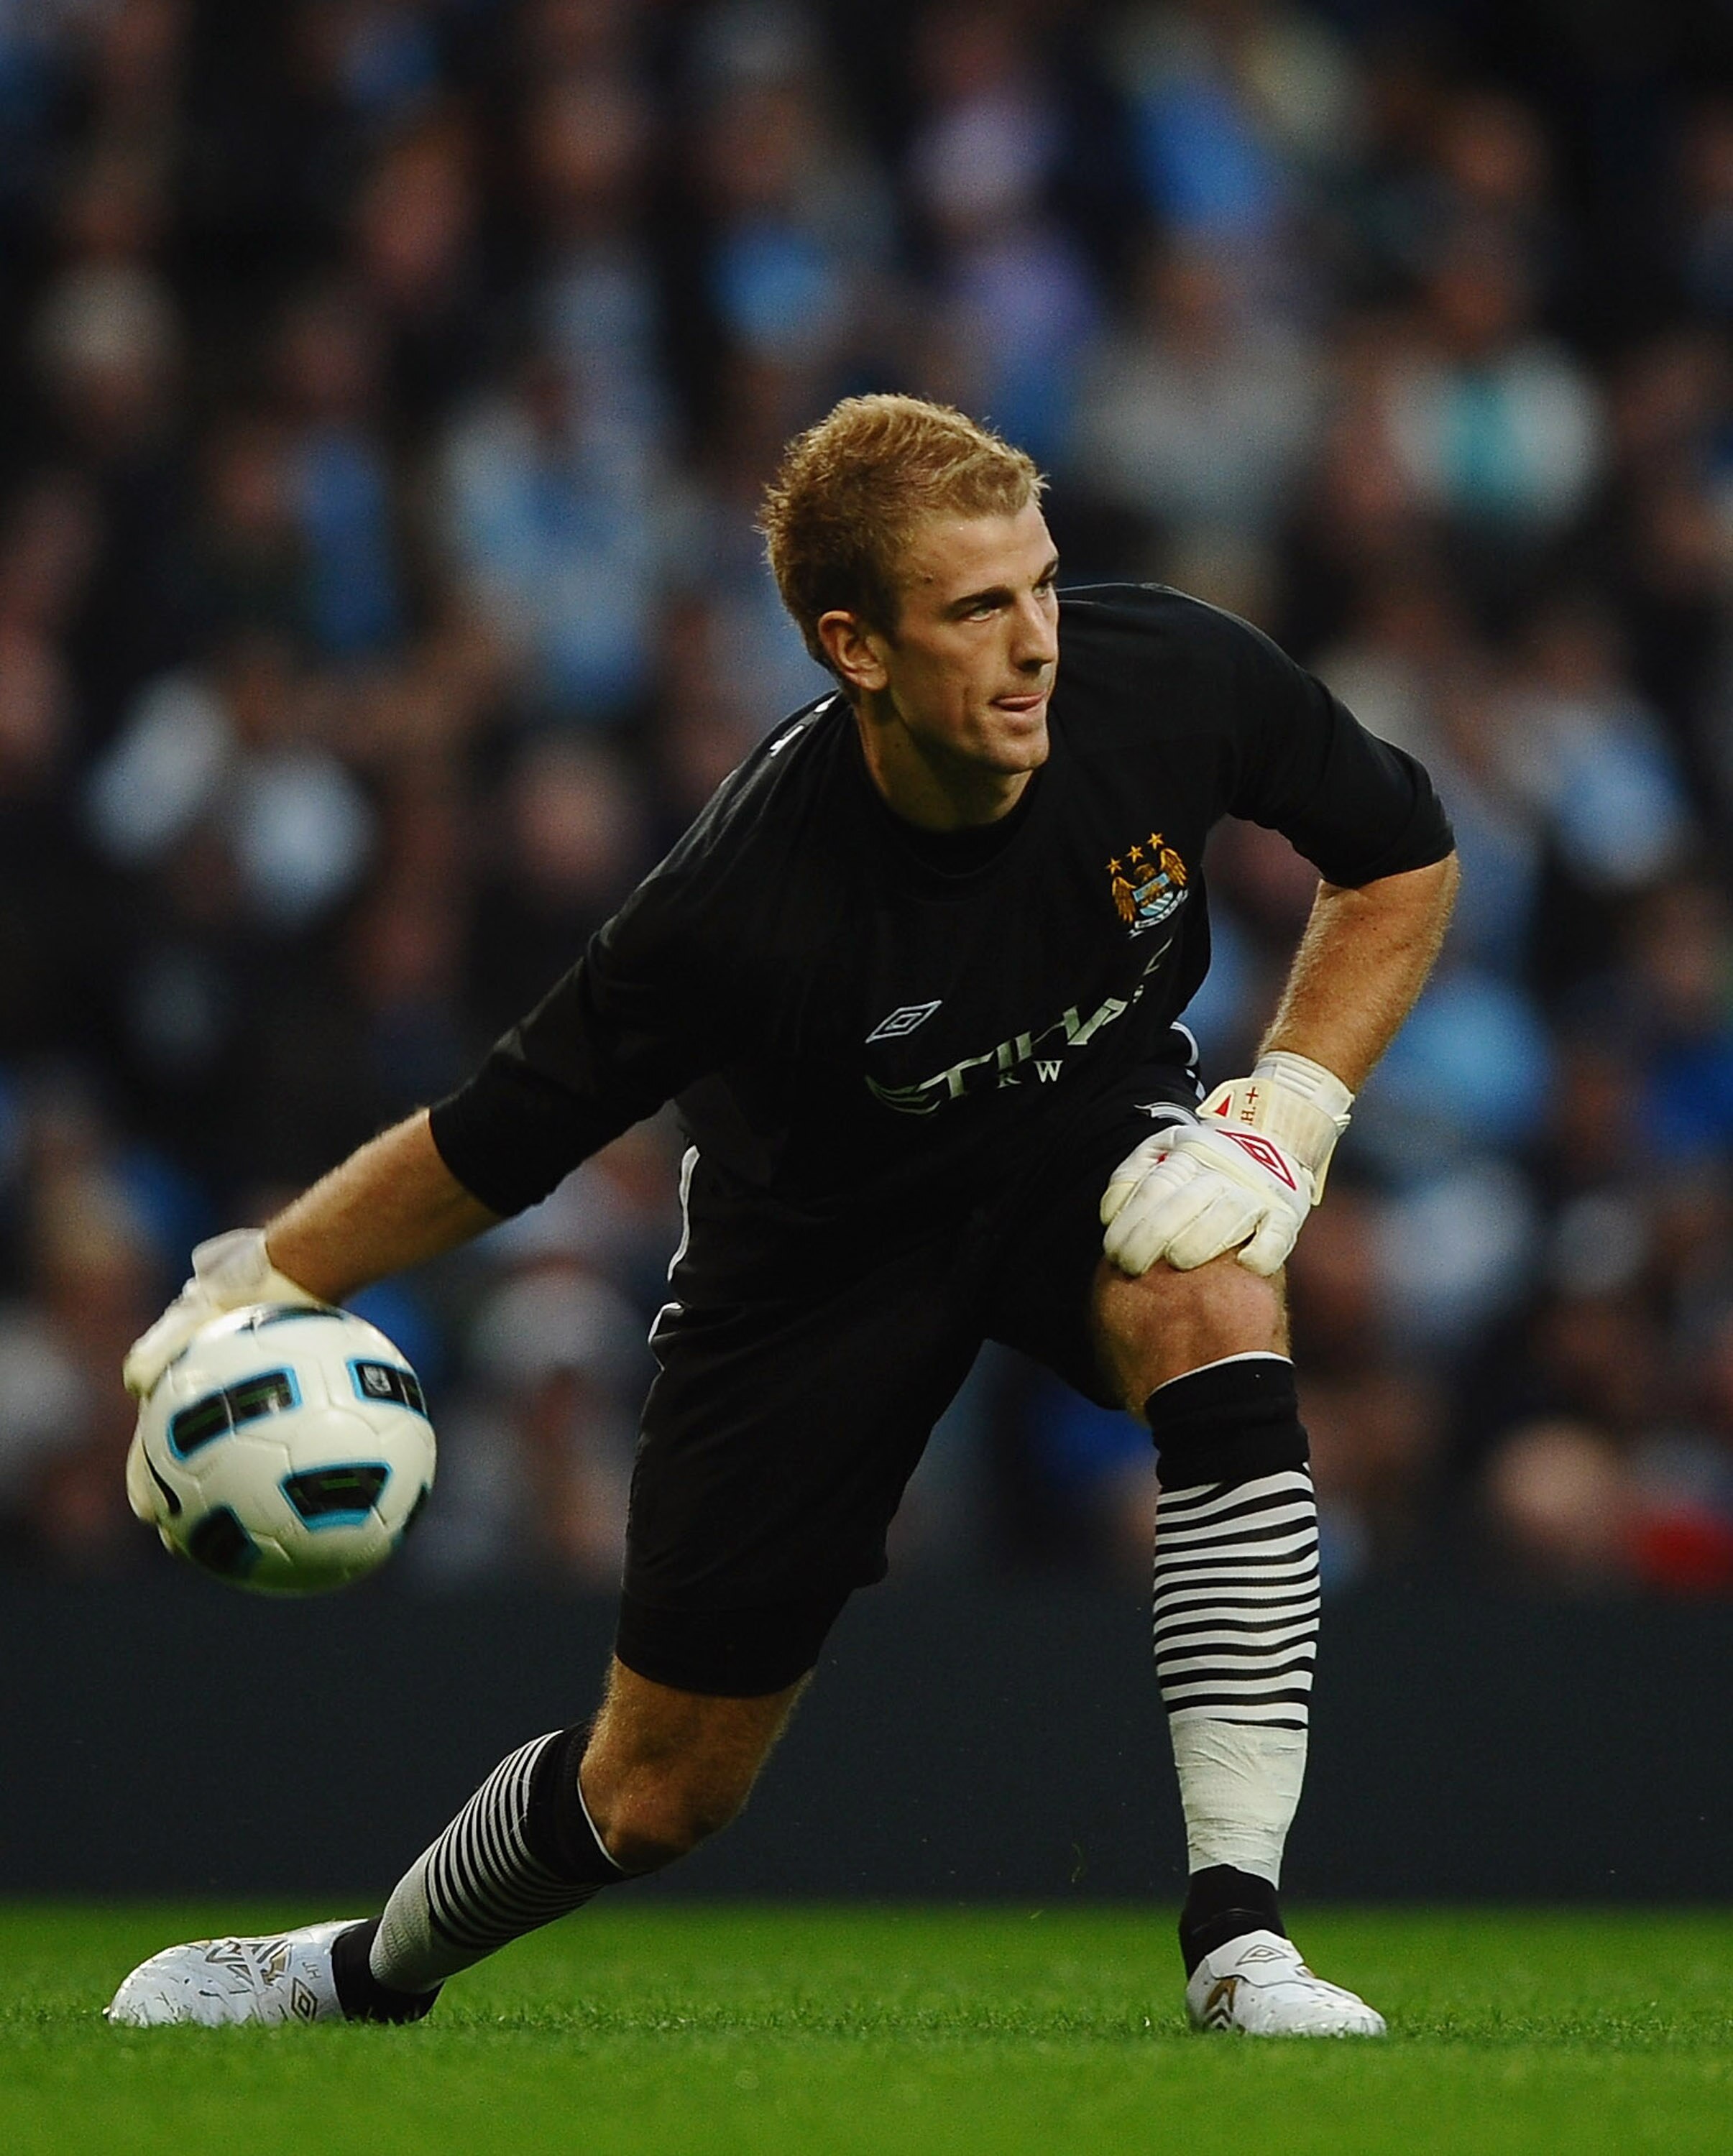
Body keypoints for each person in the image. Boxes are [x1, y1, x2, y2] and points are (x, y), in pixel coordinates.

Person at [106, 395, 1457, 2037]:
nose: (1036, 644)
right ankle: (361, 1972)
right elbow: (494, 1139)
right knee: (658, 1795)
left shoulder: (1169, 674)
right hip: (814, 1260)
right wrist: (265, 1271)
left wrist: (1292, 1113)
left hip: (1081, 1139)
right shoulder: (738, 905)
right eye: (976, 610)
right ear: (854, 645)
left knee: (1214, 1284)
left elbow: (1399, 856)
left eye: (1039, 583)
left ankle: (1241, 1943)